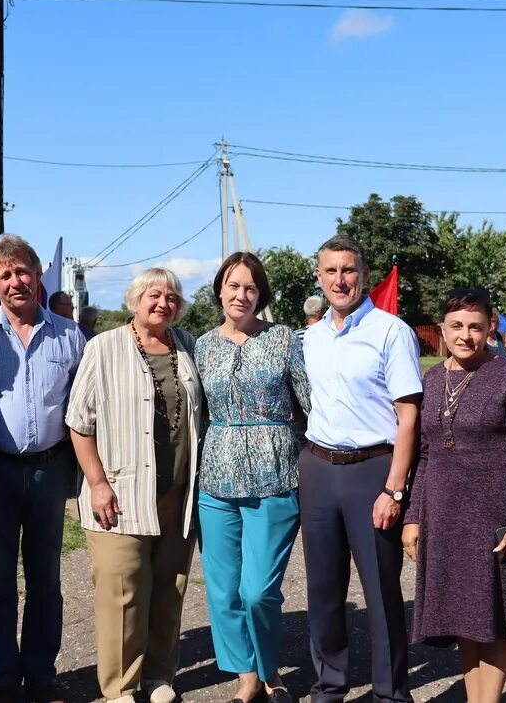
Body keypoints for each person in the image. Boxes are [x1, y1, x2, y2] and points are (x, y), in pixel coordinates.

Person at [0, 236, 86, 703]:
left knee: (45, 579)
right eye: (5, 275)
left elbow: (84, 407)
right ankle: (5, 681)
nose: (16, 281)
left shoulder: (70, 336)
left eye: (23, 271)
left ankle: (41, 676)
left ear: (38, 276)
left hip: (49, 471)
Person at [66, 267, 205, 703]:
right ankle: (120, 687)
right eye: (153, 295)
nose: (162, 303)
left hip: (178, 495)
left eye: (171, 297)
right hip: (120, 495)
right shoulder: (103, 347)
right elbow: (79, 422)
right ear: (134, 300)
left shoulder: (188, 347)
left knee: (170, 586)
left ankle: (159, 675)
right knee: (122, 590)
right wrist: (97, 482)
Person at [403, 288, 506, 703]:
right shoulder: (432, 378)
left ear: (489, 328)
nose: (465, 335)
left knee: (496, 618)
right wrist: (414, 516)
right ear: (443, 328)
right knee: (465, 616)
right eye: (457, 326)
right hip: (445, 516)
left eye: (475, 327)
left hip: (495, 518)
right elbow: (425, 454)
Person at [301, 235, 422, 703]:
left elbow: (408, 415)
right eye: (330, 271)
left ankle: (390, 692)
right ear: (320, 277)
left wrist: (394, 490)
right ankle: (329, 685)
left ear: (363, 275)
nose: (339, 279)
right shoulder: (309, 338)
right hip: (318, 468)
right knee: (323, 588)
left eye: (348, 270)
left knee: (380, 589)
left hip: (373, 469)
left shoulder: (391, 332)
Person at [195, 252, 311, 703]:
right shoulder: (202, 345)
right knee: (224, 590)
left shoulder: (283, 339)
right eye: (233, 285)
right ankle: (248, 677)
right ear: (220, 290)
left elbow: (309, 404)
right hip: (216, 481)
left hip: (275, 476)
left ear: (261, 294)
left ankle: (268, 666)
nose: (241, 294)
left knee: (259, 589)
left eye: (250, 287)